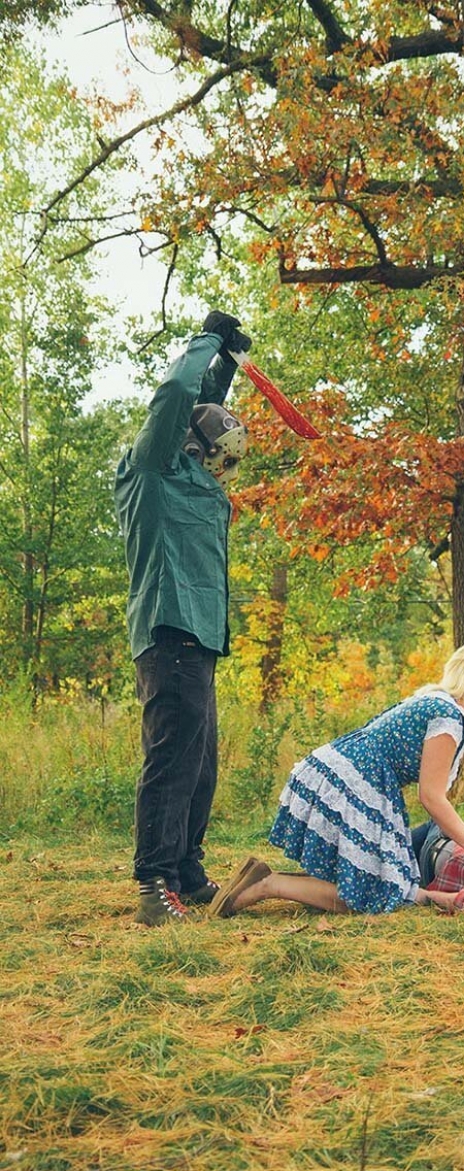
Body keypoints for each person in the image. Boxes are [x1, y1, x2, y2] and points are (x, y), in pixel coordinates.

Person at [209, 636, 464, 918]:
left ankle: (265, 877)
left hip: (341, 773)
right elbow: (431, 797)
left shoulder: (438, 702)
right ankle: (268, 884)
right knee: (369, 896)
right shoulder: (449, 717)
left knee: (373, 880)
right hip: (354, 783)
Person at [115, 310, 252, 926]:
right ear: (195, 450)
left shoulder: (194, 481)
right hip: (168, 629)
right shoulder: (151, 471)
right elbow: (177, 397)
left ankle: (188, 872)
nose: (223, 468)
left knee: (202, 759)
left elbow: (201, 407)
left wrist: (225, 365)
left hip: (200, 636)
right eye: (219, 456)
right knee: (172, 756)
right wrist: (207, 338)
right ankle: (154, 885)